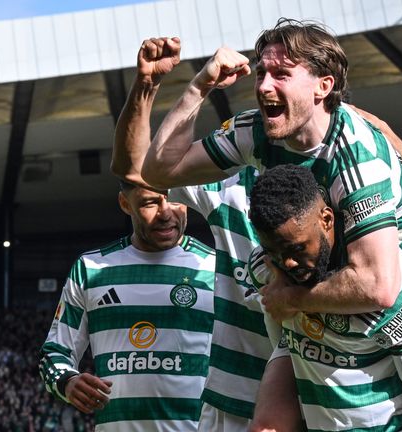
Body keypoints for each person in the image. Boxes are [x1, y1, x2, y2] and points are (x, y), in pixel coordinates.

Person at [139, 19, 402, 430]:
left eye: (281, 74)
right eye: (262, 72)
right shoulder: (259, 131)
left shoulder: (355, 155)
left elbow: (379, 285)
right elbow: (161, 170)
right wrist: (199, 87)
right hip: (322, 294)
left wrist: (289, 299)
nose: (265, 85)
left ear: (323, 86)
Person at [110, 37, 295, 430]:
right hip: (231, 402)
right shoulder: (228, 186)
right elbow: (136, 170)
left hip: (318, 392)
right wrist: (150, 84)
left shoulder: (339, 180)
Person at [246, 164, 402, 430]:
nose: (288, 262)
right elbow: (284, 341)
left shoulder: (392, 290)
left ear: (326, 219)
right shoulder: (264, 268)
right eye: (275, 251)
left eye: (297, 248)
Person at [39, 182, 216, 431]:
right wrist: (68, 381)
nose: (166, 213)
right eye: (149, 202)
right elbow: (54, 353)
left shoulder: (216, 269)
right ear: (125, 203)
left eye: (175, 198)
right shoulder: (90, 269)